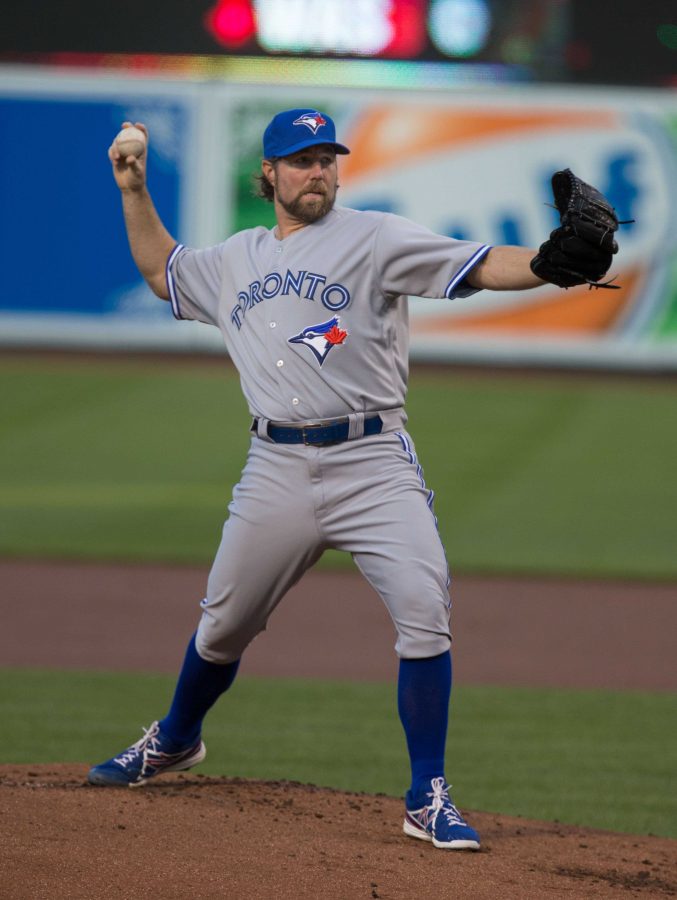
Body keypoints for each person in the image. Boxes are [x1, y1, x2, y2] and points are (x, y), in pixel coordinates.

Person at [88, 109, 613, 852]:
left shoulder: (376, 237)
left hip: (372, 463)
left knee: (422, 606)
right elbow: (161, 271)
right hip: (274, 467)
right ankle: (174, 738)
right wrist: (133, 189)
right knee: (223, 626)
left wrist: (545, 264)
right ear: (267, 173)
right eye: (300, 161)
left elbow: (480, 261)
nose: (318, 172)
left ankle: (426, 793)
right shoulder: (234, 259)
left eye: (327, 158)